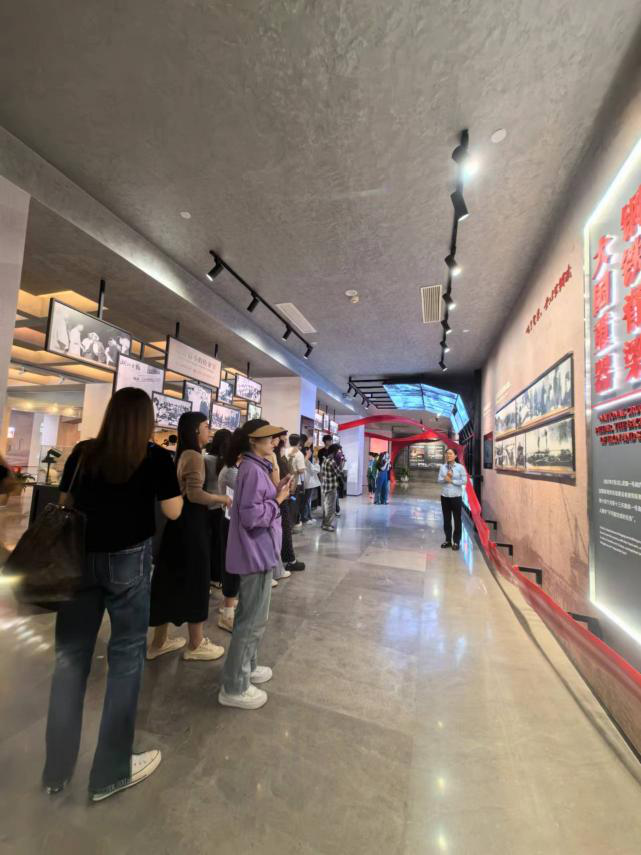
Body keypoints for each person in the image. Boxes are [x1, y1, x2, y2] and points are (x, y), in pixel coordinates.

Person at [42, 387, 183, 802]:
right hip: (128, 562)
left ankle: (56, 771)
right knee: (125, 660)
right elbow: (173, 510)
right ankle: (110, 771)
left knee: (70, 661)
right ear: (146, 420)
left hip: (79, 561)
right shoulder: (155, 458)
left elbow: (65, 503)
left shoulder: (84, 453)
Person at [218, 422, 292, 710]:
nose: (275, 441)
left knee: (251, 617)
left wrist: (277, 490)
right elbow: (251, 516)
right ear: (253, 440)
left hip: (259, 551)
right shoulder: (251, 469)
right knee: (251, 621)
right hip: (254, 552)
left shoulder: (255, 467)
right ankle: (235, 686)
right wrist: (278, 500)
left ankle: (246, 666)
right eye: (269, 437)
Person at [148, 412, 232, 662]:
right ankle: (196, 644)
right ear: (196, 430)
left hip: (177, 525)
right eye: (206, 426)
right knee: (196, 578)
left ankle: (158, 642)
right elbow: (194, 494)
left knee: (169, 580)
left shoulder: (182, 454)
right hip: (192, 525)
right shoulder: (194, 456)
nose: (209, 431)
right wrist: (221, 498)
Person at [216, 429, 244, 631]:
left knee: (233, 565)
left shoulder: (233, 468)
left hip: (231, 520)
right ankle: (227, 613)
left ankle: (229, 605)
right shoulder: (231, 471)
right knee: (231, 566)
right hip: (229, 521)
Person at [204, 429, 232, 587]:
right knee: (219, 544)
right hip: (223, 506)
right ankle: (218, 577)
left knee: (210, 543)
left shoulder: (206, 459)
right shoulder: (228, 462)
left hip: (208, 506)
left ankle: (210, 577)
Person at [275, 437, 305, 574]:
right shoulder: (274, 457)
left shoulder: (282, 454)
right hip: (280, 498)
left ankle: (283, 562)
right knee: (285, 526)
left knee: (283, 527)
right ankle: (288, 561)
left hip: (282, 495)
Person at [438, 448, 468, 551]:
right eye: (447, 454)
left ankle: (456, 541)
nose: (448, 455)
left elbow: (464, 481)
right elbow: (439, 480)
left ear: (455, 456)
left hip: (456, 497)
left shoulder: (460, 467)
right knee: (446, 519)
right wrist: (444, 479)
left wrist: (452, 481)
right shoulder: (442, 467)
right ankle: (448, 540)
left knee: (457, 520)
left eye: (450, 454)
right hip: (445, 496)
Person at [320, 443, 342, 532]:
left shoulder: (325, 460)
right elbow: (338, 473)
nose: (338, 453)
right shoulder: (332, 461)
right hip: (331, 486)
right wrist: (342, 463)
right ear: (334, 452)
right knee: (330, 507)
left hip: (325, 486)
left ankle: (324, 523)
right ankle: (327, 525)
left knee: (326, 506)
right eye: (337, 452)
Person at [286, 434, 306, 529]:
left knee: (286, 503)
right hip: (295, 484)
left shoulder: (285, 451)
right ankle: (291, 525)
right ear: (299, 442)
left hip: (285, 482)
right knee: (293, 502)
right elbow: (301, 470)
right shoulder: (299, 453)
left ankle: (285, 524)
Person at [301, 445, 320, 524]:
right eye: (309, 450)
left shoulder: (306, 460)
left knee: (308, 501)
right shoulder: (306, 461)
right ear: (306, 452)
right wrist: (317, 464)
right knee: (306, 501)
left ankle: (308, 517)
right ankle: (305, 518)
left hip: (308, 483)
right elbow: (314, 470)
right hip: (308, 484)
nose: (311, 452)